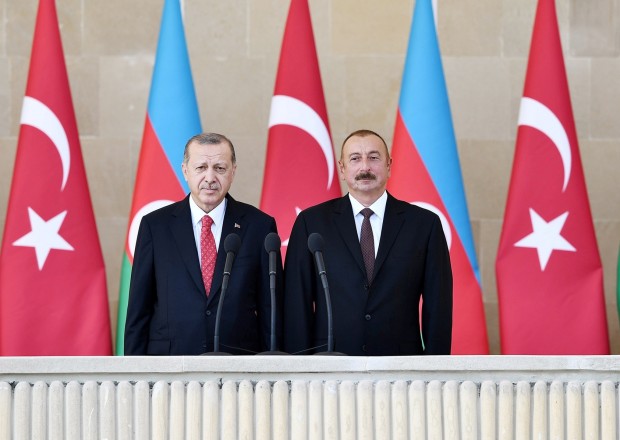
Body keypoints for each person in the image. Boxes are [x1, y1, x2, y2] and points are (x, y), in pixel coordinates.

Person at [283, 129, 452, 356]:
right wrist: (299, 367)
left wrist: (435, 369)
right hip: (329, 363)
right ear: (342, 168)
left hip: (401, 365)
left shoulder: (424, 225)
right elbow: (296, 303)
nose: (365, 167)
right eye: (355, 158)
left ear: (389, 165)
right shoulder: (311, 223)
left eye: (373, 158)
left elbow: (438, 305)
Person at [125, 133, 283, 355]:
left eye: (219, 168)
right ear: (185, 171)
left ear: (233, 171)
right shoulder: (155, 226)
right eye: (201, 167)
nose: (210, 177)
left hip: (239, 363)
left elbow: (271, 310)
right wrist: (135, 372)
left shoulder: (259, 226)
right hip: (170, 363)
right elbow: (138, 310)